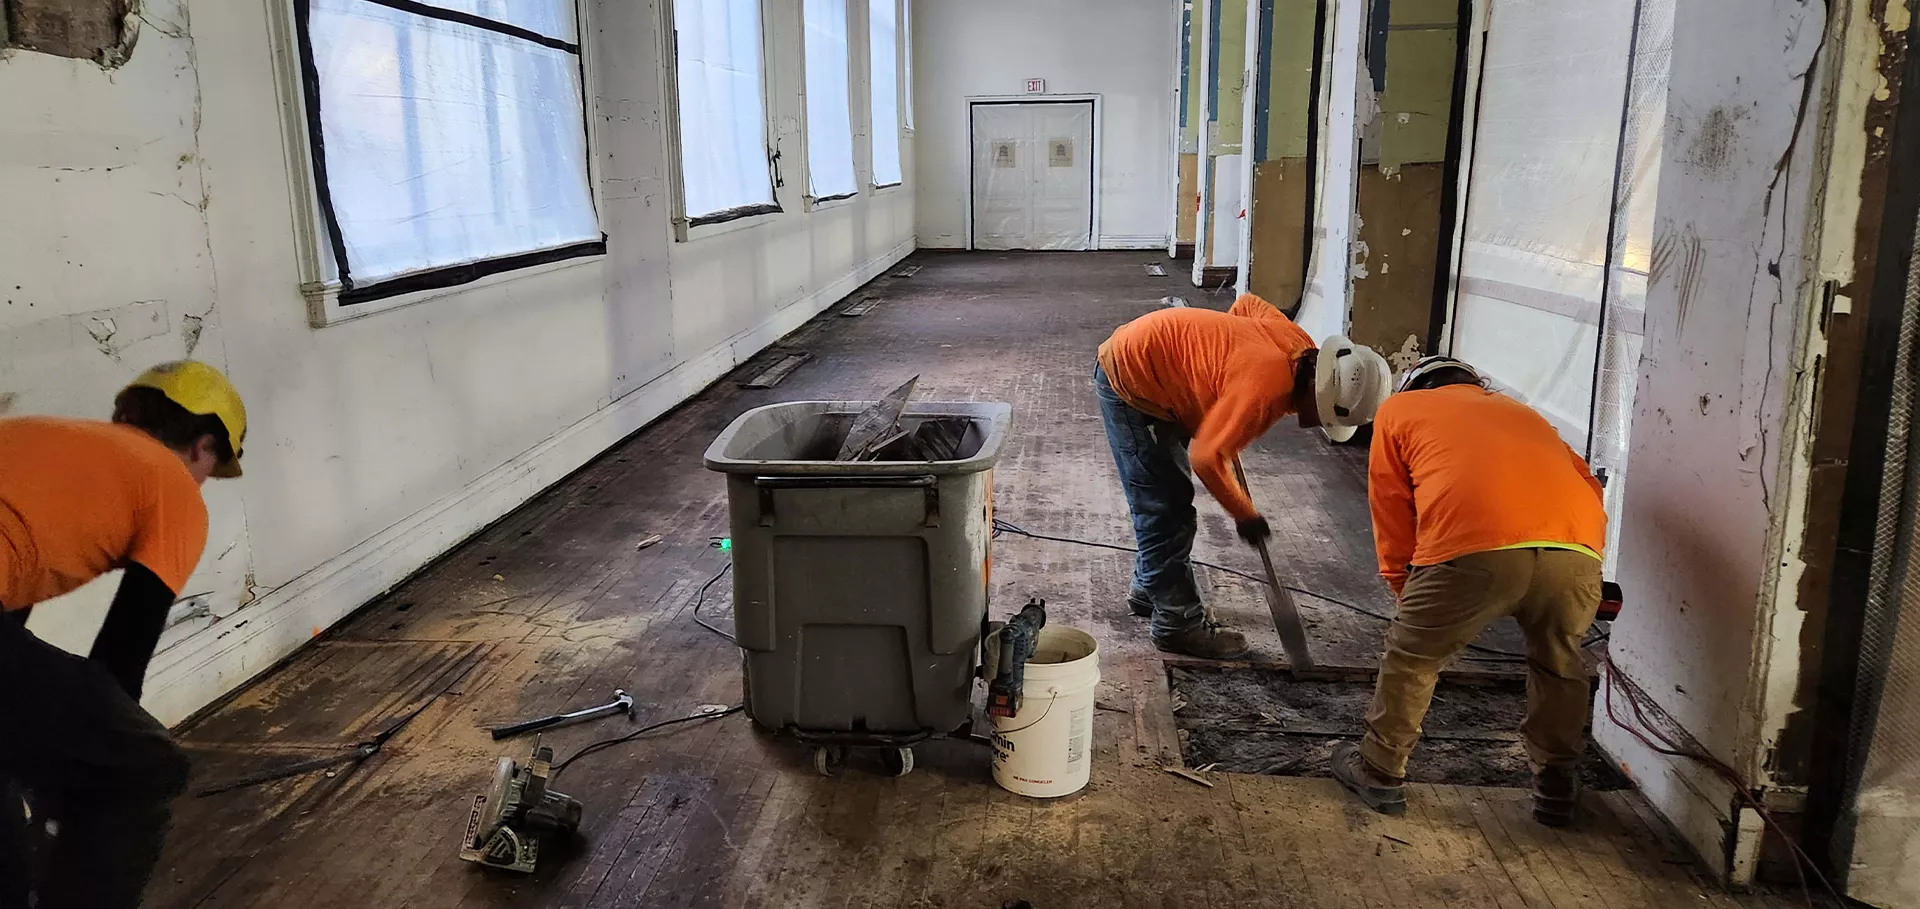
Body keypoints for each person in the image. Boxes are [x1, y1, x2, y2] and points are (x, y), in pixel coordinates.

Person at [0, 360, 247, 909]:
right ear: (202, 447)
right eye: (211, 465)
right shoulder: (171, 484)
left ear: (125, 414)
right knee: (138, 767)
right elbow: (119, 661)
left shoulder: (39, 440)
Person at [1331, 355, 1605, 827]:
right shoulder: (1523, 412)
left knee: (1413, 657)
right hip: (1575, 551)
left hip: (1473, 548)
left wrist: (1404, 588)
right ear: (1475, 383)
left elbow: (1391, 507)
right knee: (1559, 661)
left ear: (1414, 386)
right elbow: (1588, 485)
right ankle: (1557, 782)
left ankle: (1379, 770)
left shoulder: (1400, 411)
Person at [1094, 294, 1391, 659]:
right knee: (1166, 507)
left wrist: (1217, 365)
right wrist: (1244, 513)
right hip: (1132, 380)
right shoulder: (1263, 393)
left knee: (1166, 501)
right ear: (1319, 394)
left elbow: (1246, 306)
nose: (1318, 425)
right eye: (1327, 417)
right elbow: (1205, 457)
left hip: (1160, 362)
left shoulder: (1297, 341)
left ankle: (1151, 587)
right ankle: (1177, 624)